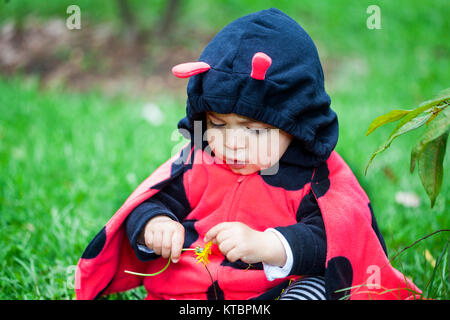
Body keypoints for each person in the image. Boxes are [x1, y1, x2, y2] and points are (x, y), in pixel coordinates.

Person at [75, 8, 420, 300]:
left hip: (277, 290)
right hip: (198, 290)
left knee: (322, 288)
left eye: (254, 130)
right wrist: (154, 224)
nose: (233, 144)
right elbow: (153, 200)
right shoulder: (200, 163)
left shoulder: (313, 177)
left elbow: (334, 241)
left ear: (295, 124)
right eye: (218, 125)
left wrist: (270, 245)